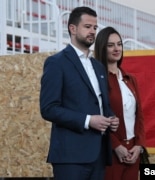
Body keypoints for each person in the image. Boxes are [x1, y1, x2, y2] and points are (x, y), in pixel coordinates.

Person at [39, 7, 119, 180]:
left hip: (99, 155)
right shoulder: (56, 63)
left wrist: (111, 118)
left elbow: (102, 104)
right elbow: (48, 108)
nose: (92, 32)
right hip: (70, 157)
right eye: (87, 26)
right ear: (72, 29)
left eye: (95, 28)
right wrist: (88, 121)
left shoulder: (98, 66)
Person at [94, 26, 146, 180]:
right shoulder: (97, 78)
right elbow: (98, 116)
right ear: (102, 48)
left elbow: (139, 116)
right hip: (110, 152)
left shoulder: (130, 79)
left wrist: (139, 145)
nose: (117, 49)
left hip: (133, 152)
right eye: (110, 45)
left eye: (119, 44)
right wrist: (116, 146)